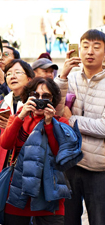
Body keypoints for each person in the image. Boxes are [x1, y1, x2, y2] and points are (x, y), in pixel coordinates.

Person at [0, 77, 68, 225]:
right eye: (35, 95)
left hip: (49, 197)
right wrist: (21, 116)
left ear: (53, 99)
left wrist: (49, 124)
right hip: (18, 194)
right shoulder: (18, 118)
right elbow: (5, 144)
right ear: (28, 97)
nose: (39, 100)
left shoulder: (61, 122)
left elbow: (60, 155)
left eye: (46, 96)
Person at [54, 29, 105, 225]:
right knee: (67, 220)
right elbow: (57, 111)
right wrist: (62, 76)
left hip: (99, 168)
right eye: (85, 46)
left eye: (96, 47)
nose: (89, 51)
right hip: (69, 164)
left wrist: (72, 119)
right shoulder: (71, 78)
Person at [0, 59, 34, 190]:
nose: (12, 76)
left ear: (29, 78)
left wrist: (12, 127)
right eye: (9, 73)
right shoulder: (3, 103)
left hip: (27, 166)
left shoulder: (34, 104)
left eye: (18, 72)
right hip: (4, 166)